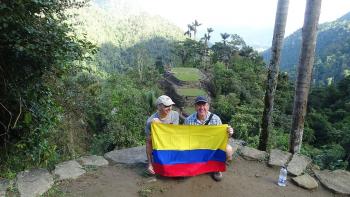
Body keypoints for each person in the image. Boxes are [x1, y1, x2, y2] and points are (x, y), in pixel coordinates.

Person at [184, 95, 234, 182]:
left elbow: (222, 138)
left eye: (204, 105)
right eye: (199, 105)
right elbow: (183, 137)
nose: (201, 107)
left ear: (208, 106)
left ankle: (216, 168)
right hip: (195, 147)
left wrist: (229, 133)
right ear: (195, 107)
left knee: (228, 150)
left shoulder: (215, 119)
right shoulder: (188, 120)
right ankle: (193, 166)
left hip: (212, 147)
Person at [145, 95, 179, 175]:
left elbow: (174, 133)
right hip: (159, 148)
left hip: (172, 145)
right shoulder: (150, 121)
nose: (169, 108)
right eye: (166, 106)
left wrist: (159, 124)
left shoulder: (175, 115)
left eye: (170, 105)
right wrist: (150, 164)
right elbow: (149, 142)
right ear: (159, 107)